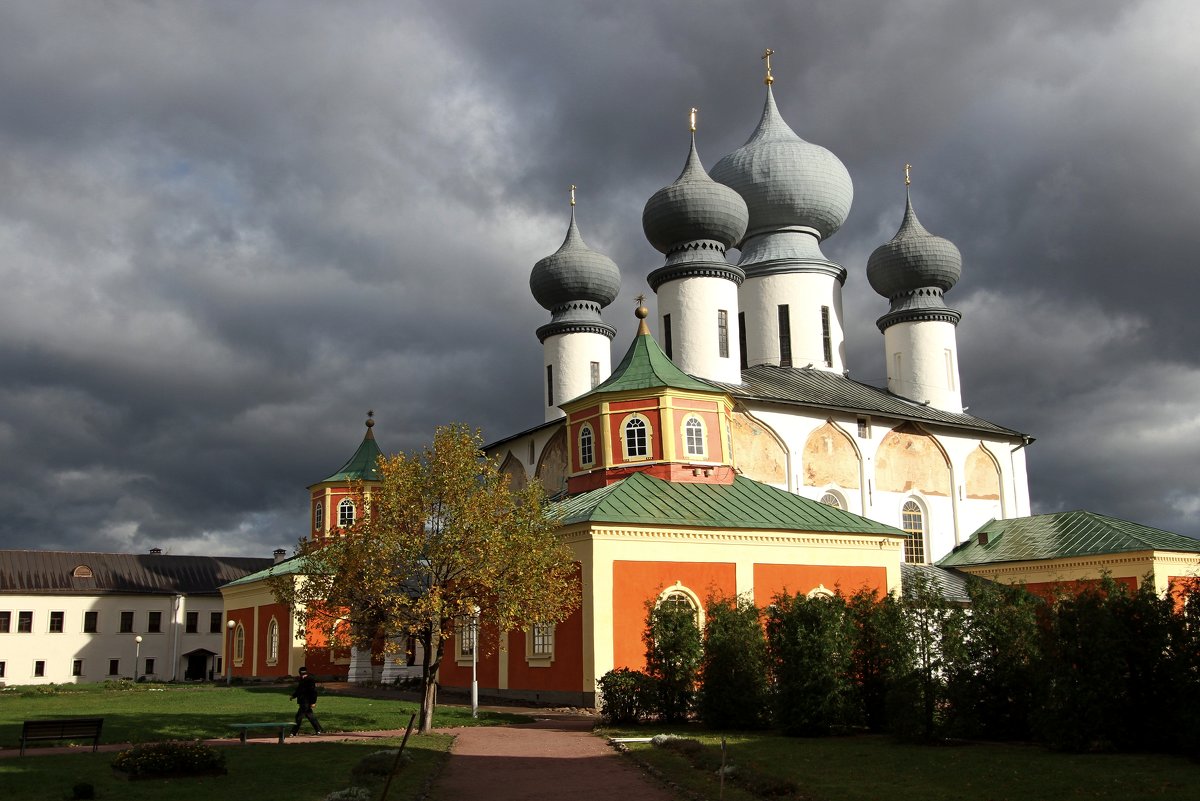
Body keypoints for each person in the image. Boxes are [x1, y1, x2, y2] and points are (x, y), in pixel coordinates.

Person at [289, 666, 324, 735]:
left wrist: (313, 702)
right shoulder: (302, 679)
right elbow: (299, 690)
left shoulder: (310, 680)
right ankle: (318, 729)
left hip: (306, 702)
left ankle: (293, 732)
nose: (302, 675)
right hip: (302, 701)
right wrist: (293, 696)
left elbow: (313, 692)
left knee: (298, 717)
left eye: (303, 674)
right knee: (310, 716)